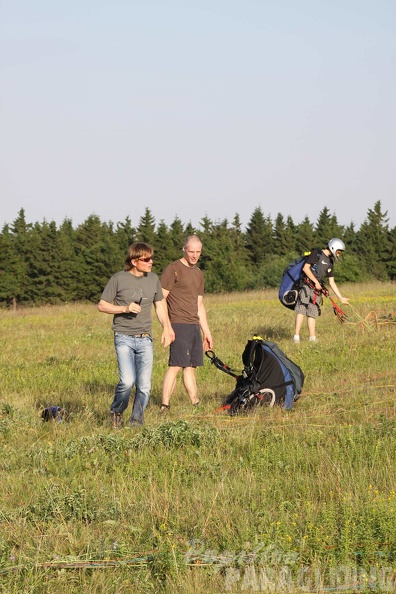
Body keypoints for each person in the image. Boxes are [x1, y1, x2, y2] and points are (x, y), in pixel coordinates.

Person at [98, 242, 174, 428]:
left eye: (151, 258)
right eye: (146, 259)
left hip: (145, 339)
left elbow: (160, 305)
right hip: (123, 337)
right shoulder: (118, 279)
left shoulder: (153, 279)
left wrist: (167, 327)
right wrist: (124, 308)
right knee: (127, 381)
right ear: (134, 261)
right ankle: (117, 412)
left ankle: (136, 422)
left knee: (145, 386)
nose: (151, 262)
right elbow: (102, 305)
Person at [160, 234, 213, 410]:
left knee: (191, 366)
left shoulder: (199, 274)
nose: (194, 255)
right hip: (178, 323)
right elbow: (160, 300)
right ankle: (164, 405)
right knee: (175, 365)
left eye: (198, 252)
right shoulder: (173, 269)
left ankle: (195, 403)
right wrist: (167, 327)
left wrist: (207, 332)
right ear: (184, 249)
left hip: (193, 325)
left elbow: (199, 305)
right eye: (191, 251)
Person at [293, 238, 349, 343]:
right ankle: (296, 337)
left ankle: (312, 338)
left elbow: (332, 282)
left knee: (312, 312)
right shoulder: (317, 253)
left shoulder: (330, 263)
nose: (339, 254)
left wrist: (340, 298)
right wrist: (315, 282)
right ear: (333, 247)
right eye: (338, 252)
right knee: (301, 309)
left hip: (317, 291)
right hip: (306, 285)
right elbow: (306, 268)